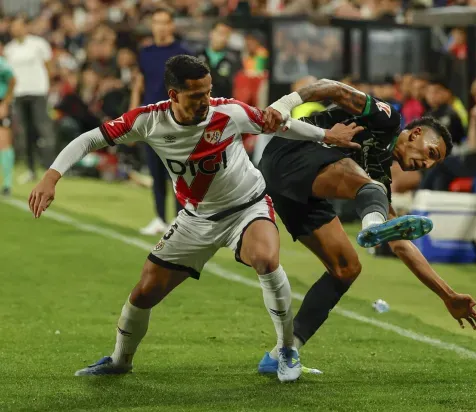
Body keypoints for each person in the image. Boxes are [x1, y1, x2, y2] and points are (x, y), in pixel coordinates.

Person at [28, 56, 364, 382]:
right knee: (144, 293)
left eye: (208, 91)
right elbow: (91, 138)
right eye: (196, 95)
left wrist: (326, 137)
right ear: (173, 95)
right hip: (196, 218)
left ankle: (287, 349)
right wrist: (52, 176)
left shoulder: (228, 112)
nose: (205, 100)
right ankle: (119, 360)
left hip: (247, 207)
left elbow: (278, 124)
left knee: (265, 258)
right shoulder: (148, 120)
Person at [256, 78, 476, 373]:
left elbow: (401, 244)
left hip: (295, 189)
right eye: (431, 153)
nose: (427, 165)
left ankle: (283, 353)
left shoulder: (380, 174)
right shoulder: (386, 118)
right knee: (372, 190)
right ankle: (371, 225)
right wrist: (285, 104)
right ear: (415, 134)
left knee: (346, 268)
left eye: (433, 163)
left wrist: (447, 295)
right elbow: (332, 87)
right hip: (290, 152)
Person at [130, 7, 195, 236]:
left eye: (164, 22)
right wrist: (133, 114)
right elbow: (139, 84)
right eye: (156, 22)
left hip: (175, 119)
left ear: (172, 25)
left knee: (177, 172)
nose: (160, 27)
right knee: (156, 171)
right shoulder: (145, 53)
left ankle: (180, 220)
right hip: (151, 119)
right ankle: (159, 218)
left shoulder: (182, 54)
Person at [4, 15, 56, 183]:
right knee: (25, 133)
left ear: (26, 27)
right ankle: (31, 169)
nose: (15, 29)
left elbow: (49, 66)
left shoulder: (39, 44)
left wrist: (48, 86)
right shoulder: (10, 49)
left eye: (18, 25)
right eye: (13, 26)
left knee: (44, 130)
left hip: (38, 92)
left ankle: (51, 169)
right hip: (19, 94)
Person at [0, 44, 15, 196]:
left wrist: (5, 102)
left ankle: (7, 184)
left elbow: (12, 80)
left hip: (1, 103)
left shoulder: (2, 64)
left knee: (4, 142)